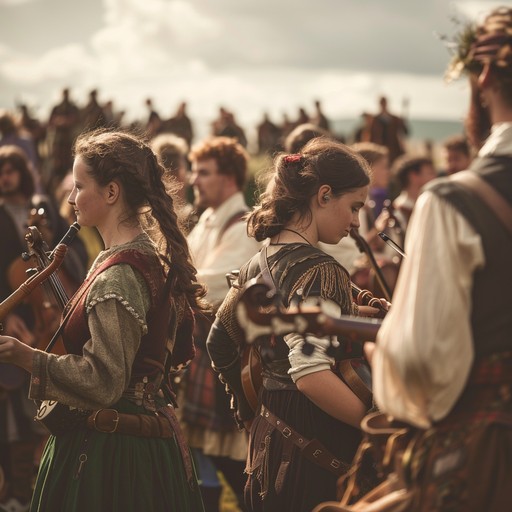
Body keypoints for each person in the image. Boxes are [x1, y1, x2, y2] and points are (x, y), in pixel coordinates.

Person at [0, 129, 206, 511]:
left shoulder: (120, 274)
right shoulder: (137, 257)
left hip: (114, 457)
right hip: (136, 441)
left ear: (111, 192)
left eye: (79, 186)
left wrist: (26, 358)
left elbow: (104, 381)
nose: (71, 197)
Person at [370, 6, 512, 511]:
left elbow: (423, 365)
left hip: (493, 464)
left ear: (486, 75)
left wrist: (383, 356)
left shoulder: (453, 202)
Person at [207, 137, 381, 512]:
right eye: (353, 207)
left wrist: (249, 407)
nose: (355, 222)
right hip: (315, 444)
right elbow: (310, 375)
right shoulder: (322, 269)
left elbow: (219, 342)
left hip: (268, 438)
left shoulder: (258, 261)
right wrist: (372, 424)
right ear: (323, 195)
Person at [180, 136, 260, 511]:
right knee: (200, 449)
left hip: (223, 350)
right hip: (200, 345)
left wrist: (173, 276)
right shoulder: (209, 219)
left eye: (204, 172)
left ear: (229, 178)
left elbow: (209, 283)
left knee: (230, 456)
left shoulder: (243, 224)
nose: (194, 179)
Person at [389, 154, 437, 238]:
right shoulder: (398, 211)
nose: (434, 177)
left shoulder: (433, 204)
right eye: (430, 173)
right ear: (413, 176)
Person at [365, 96, 409, 164]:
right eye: (382, 103)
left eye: (384, 103)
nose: (383, 105)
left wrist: (403, 123)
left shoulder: (395, 119)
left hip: (393, 150)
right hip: (379, 149)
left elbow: (405, 132)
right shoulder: (375, 120)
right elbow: (371, 136)